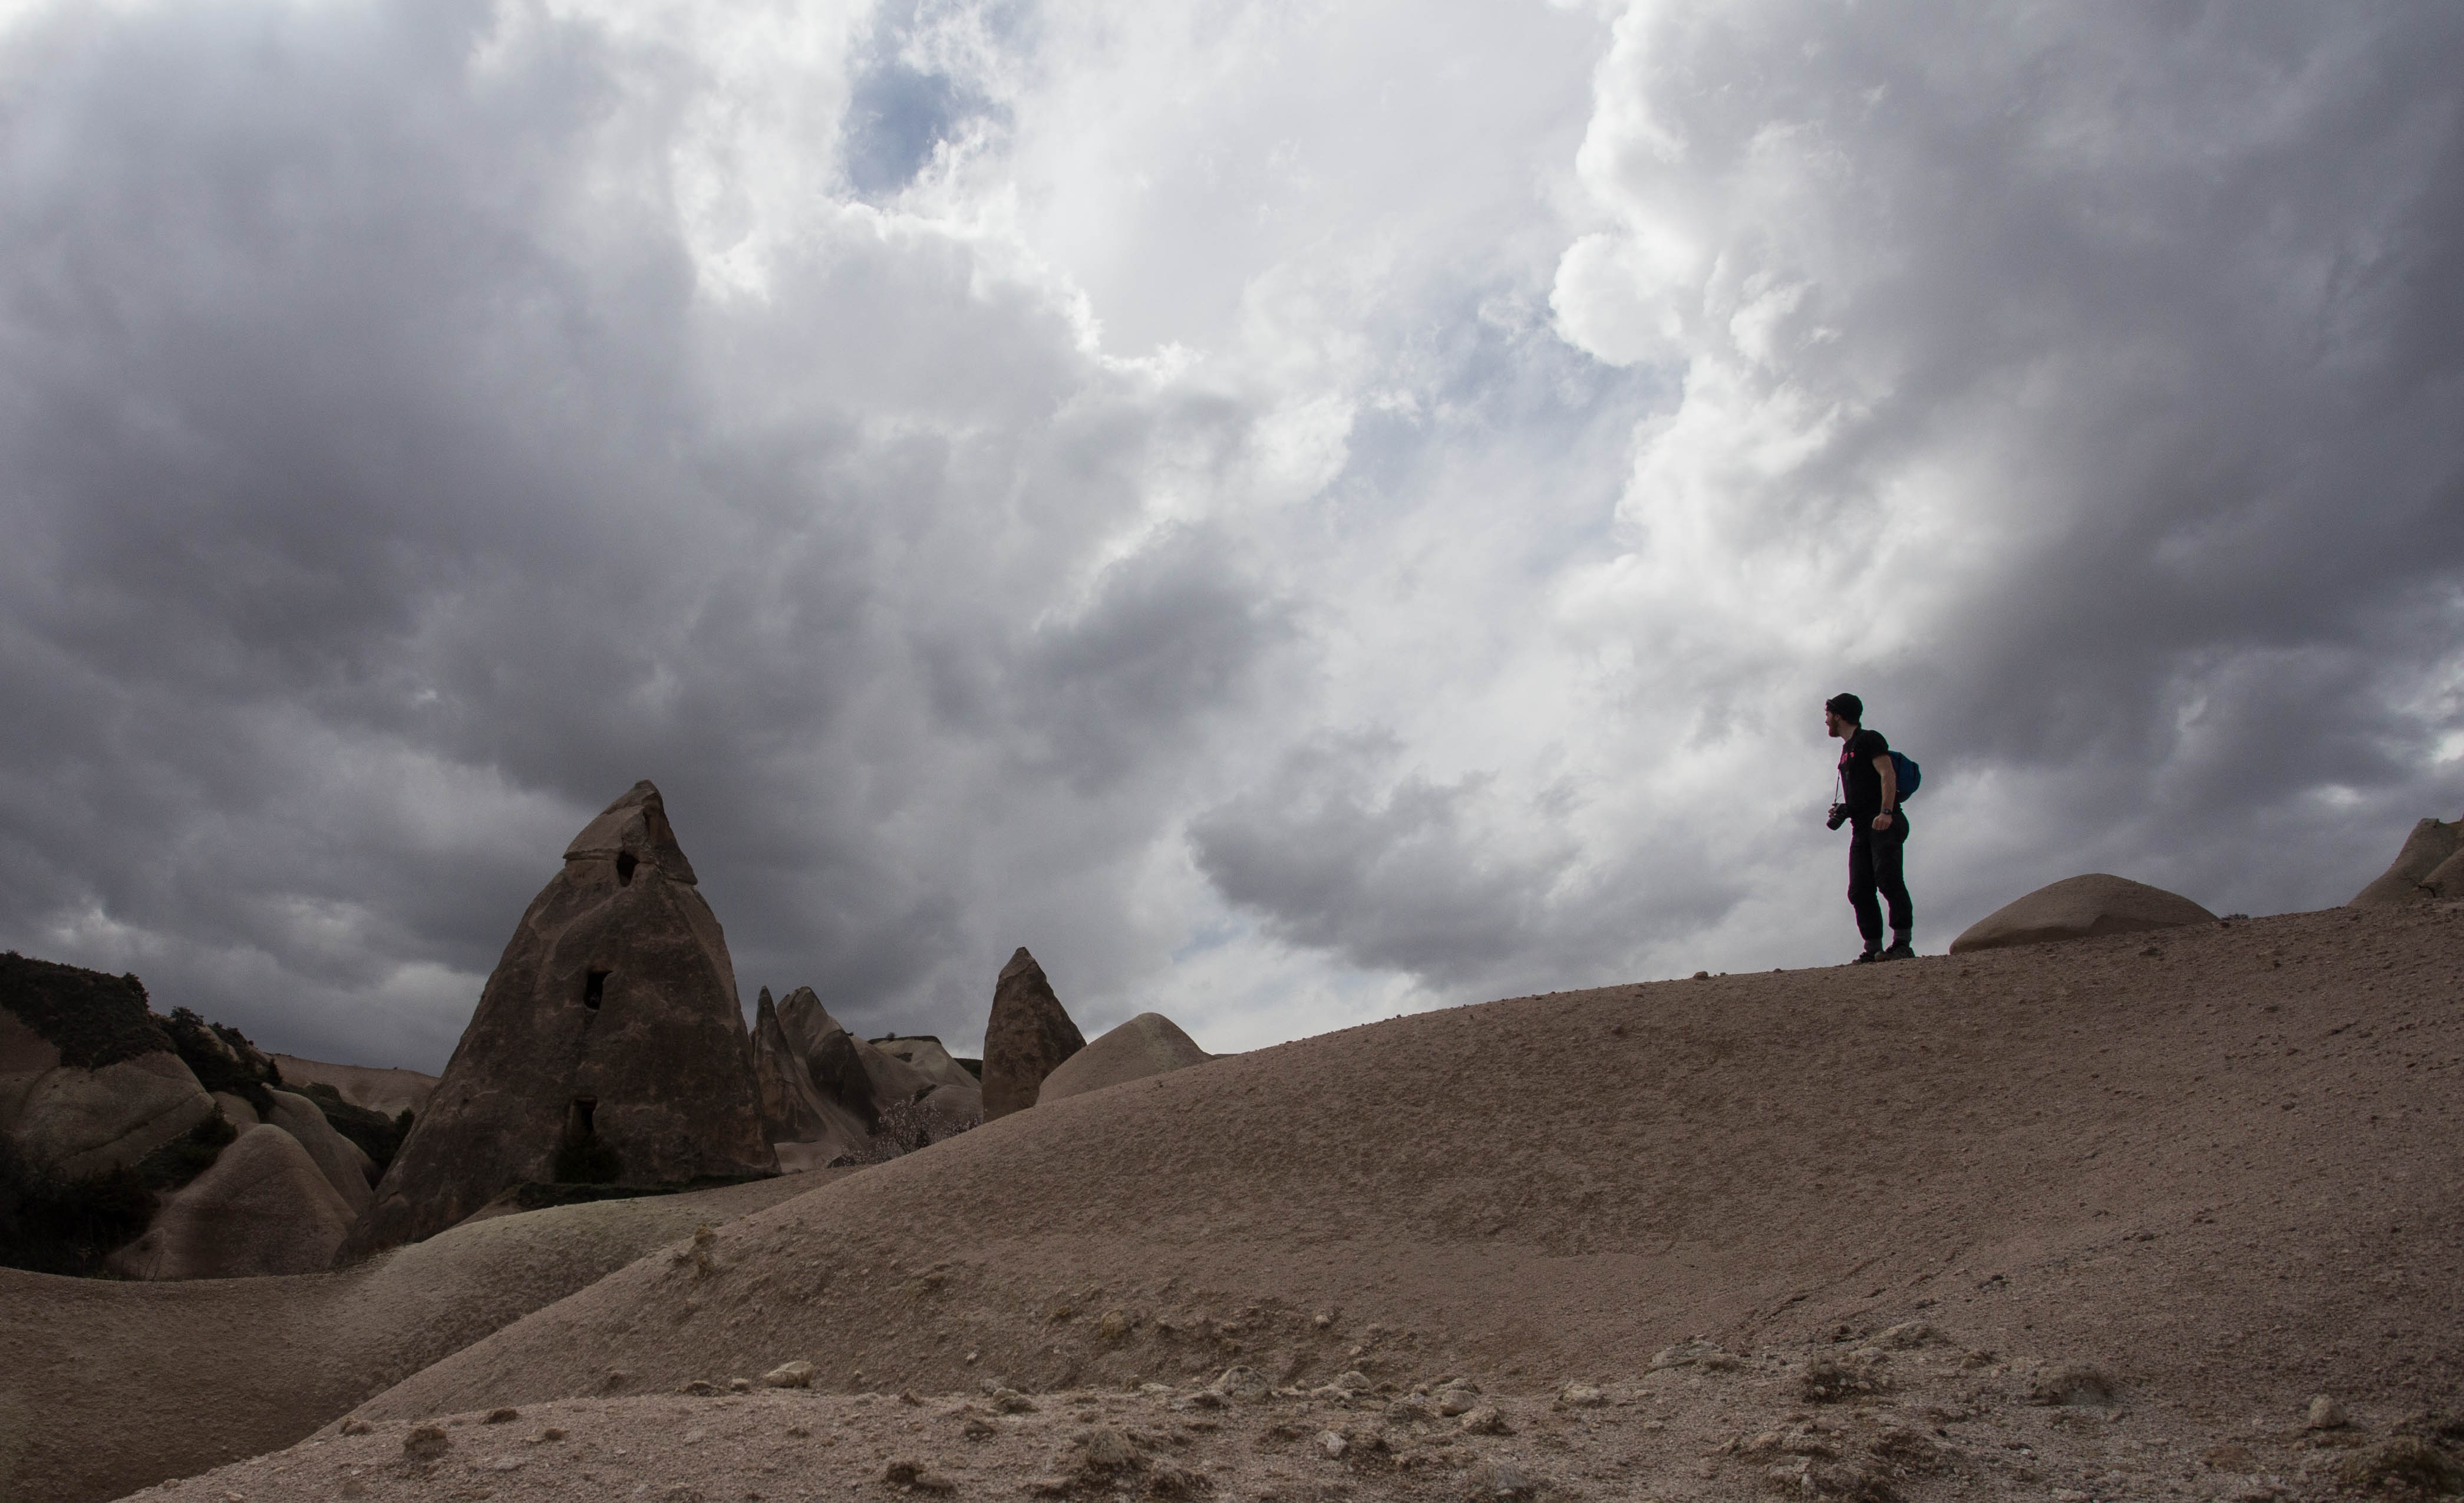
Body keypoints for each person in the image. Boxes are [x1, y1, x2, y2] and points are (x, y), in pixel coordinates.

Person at [1824, 693, 1912, 963]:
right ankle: (1873, 948)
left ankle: (1902, 945)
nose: (1825, 720)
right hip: (1860, 827)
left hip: (1884, 822)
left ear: (1838, 715)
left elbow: (1888, 774)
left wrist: (1886, 812)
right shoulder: (1846, 748)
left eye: (1827, 714)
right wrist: (1844, 809)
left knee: (1888, 879)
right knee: (1859, 890)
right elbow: (1862, 789)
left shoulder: (1870, 739)